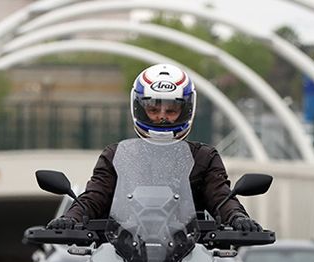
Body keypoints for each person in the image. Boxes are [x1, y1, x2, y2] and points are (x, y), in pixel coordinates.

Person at [47, 63, 262, 232]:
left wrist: (237, 217)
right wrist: (71, 217)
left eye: (172, 109)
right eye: (153, 108)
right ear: (139, 107)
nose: (161, 116)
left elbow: (220, 196)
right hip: (121, 254)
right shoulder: (116, 156)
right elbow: (95, 196)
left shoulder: (204, 158)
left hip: (190, 257)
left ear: (187, 109)